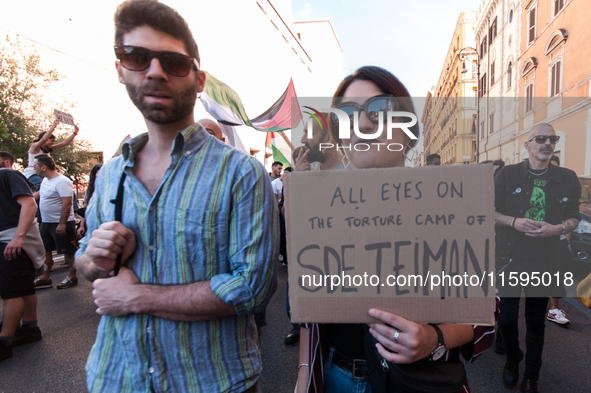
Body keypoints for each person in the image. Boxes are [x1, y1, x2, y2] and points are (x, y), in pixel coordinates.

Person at [75, 1, 277, 391]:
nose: (155, 71)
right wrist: (94, 257)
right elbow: (87, 265)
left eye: (174, 62)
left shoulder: (240, 171)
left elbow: (251, 288)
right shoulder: (112, 172)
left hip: (211, 382)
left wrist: (136, 297)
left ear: (198, 80)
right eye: (136, 57)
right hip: (116, 377)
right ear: (120, 69)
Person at [296, 66, 495, 393]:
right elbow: (309, 301)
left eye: (379, 109)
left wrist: (435, 338)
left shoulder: (452, 203)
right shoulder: (324, 204)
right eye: (346, 114)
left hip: (416, 382)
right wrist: (305, 371)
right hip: (335, 376)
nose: (361, 124)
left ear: (408, 127)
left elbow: (487, 308)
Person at [494, 124, 580, 393]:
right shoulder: (507, 174)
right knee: (506, 320)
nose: (547, 143)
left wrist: (559, 228)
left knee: (536, 322)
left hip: (544, 260)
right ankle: (512, 358)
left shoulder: (567, 177)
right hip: (509, 259)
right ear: (527, 144)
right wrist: (515, 221)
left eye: (552, 139)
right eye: (540, 138)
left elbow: (574, 217)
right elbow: (489, 212)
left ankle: (531, 376)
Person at [0, 158, 43, 362]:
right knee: (23, 286)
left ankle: (4, 342)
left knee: (12, 289)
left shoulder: (7, 174)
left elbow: (29, 204)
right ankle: (30, 328)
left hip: (12, 238)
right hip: (9, 238)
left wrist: (18, 237)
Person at [33, 154, 78, 290]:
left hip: (62, 223)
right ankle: (45, 278)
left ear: (43, 167)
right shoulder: (46, 180)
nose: (33, 168)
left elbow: (67, 204)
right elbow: (40, 193)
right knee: (46, 250)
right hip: (46, 222)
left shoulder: (62, 181)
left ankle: (72, 276)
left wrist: (62, 223)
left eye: (35, 166)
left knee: (69, 251)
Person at [546, 155, 571, 325]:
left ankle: (554, 310)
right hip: (535, 243)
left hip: (558, 242)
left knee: (556, 276)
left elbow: (570, 218)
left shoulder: (564, 191)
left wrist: (566, 241)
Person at [23, 120, 79, 190]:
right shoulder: (35, 147)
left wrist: (74, 133)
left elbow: (64, 143)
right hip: (33, 173)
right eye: (52, 141)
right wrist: (54, 126)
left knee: (59, 185)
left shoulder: (48, 149)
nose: (52, 143)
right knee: (42, 188)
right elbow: (44, 138)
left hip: (44, 173)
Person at [76, 164, 102, 239]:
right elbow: (85, 208)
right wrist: (81, 225)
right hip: (92, 222)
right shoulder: (90, 190)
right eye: (98, 173)